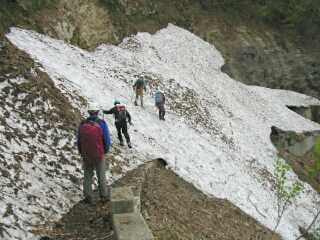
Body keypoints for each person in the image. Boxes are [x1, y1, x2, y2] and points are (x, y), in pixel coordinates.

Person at [77, 104, 111, 204]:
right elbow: (106, 139)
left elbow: (79, 140)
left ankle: (88, 196)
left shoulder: (83, 124)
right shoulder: (101, 123)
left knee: (87, 175)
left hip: (86, 154)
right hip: (99, 153)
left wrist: (81, 152)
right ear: (97, 112)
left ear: (89, 112)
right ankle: (104, 195)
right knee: (101, 174)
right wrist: (105, 150)